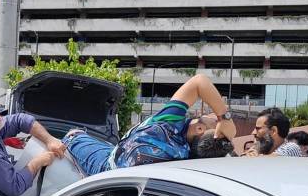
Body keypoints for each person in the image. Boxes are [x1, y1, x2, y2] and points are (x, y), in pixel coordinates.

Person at [61, 74, 237, 176]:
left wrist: (225, 118)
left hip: (108, 166)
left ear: (200, 128)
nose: (209, 114)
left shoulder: (170, 123)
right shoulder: (190, 158)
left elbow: (199, 81)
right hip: (122, 159)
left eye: (211, 118)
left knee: (73, 135)